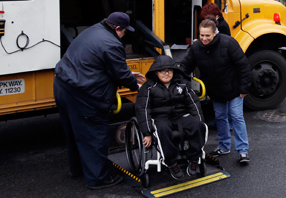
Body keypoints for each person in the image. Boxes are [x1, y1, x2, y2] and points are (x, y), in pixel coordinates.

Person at [53, 12, 145, 190]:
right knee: (94, 135)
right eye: (124, 32)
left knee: (74, 133)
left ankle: (78, 169)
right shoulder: (112, 43)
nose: (124, 35)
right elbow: (119, 72)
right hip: (83, 94)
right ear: (118, 29)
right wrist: (135, 85)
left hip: (63, 86)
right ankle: (97, 178)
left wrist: (126, 75)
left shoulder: (93, 30)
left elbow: (97, 63)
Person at [180, 19, 252, 164]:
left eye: (207, 35)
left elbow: (243, 66)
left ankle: (242, 151)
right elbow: (185, 67)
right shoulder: (196, 48)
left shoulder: (229, 43)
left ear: (215, 33)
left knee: (236, 117)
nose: (204, 39)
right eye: (201, 35)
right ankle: (224, 146)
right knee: (220, 117)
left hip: (234, 88)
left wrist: (244, 88)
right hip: (216, 90)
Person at [135, 55, 206, 180]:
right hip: (161, 117)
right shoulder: (148, 88)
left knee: (198, 125)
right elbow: (143, 110)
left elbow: (194, 104)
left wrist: (200, 123)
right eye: (163, 71)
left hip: (180, 115)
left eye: (170, 70)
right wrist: (147, 133)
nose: (167, 73)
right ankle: (171, 162)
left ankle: (194, 158)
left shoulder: (183, 84)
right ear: (156, 72)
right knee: (162, 129)